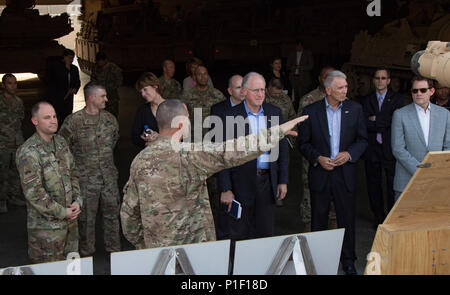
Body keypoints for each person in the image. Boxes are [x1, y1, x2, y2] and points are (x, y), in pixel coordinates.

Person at [120, 99, 308, 249]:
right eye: (187, 118)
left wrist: (145, 243)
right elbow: (235, 150)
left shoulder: (140, 160)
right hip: (193, 251)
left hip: (157, 251)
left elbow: (129, 214)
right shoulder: (189, 155)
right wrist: (279, 130)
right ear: (179, 124)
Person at [298, 70, 368, 275]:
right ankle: (318, 261)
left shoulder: (355, 109)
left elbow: (363, 140)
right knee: (318, 219)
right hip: (321, 172)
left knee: (346, 219)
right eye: (341, 87)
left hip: (345, 173)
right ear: (328, 90)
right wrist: (318, 158)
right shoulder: (310, 111)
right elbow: (303, 143)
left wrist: (349, 154)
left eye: (346, 87)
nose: (345, 91)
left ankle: (348, 260)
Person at [217, 72, 289, 241]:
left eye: (263, 90)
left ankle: (263, 267)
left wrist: (282, 180)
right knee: (239, 232)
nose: (260, 94)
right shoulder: (229, 116)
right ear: (244, 91)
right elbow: (220, 156)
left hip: (267, 182)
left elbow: (282, 150)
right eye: (255, 90)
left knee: (265, 232)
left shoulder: (274, 113)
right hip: (239, 182)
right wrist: (225, 188)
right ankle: (239, 267)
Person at [58, 82, 121, 257]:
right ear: (91, 98)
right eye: (103, 96)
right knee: (86, 219)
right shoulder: (73, 122)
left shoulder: (110, 120)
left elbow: (114, 141)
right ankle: (87, 253)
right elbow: (62, 149)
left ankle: (114, 251)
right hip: (85, 181)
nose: (106, 100)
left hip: (108, 178)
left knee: (112, 216)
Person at [16, 102, 82, 263]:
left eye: (54, 116)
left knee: (71, 268)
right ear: (35, 121)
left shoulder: (61, 143)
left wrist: (77, 200)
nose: (53, 121)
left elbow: (73, 173)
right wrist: (62, 212)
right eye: (47, 117)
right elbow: (34, 194)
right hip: (46, 232)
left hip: (70, 227)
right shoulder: (28, 152)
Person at [391, 77, 450, 200]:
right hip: (406, 181)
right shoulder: (400, 115)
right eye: (415, 91)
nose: (418, 94)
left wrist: (436, 169)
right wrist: (420, 170)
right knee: (404, 219)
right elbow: (398, 149)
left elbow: (448, 146)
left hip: (436, 180)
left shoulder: (445, 114)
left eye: (423, 90)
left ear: (431, 91)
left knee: (432, 219)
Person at [362, 67, 404, 226]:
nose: (380, 81)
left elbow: (396, 122)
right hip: (372, 149)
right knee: (373, 184)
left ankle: (391, 218)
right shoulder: (366, 100)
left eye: (383, 78)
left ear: (389, 81)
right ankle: (378, 217)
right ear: (373, 80)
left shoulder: (398, 99)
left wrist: (376, 119)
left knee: (392, 184)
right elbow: (364, 123)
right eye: (377, 78)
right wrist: (385, 120)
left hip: (390, 148)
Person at [297, 66, 337, 232]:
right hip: (313, 159)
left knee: (335, 199)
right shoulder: (308, 100)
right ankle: (309, 236)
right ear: (319, 79)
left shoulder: (343, 99)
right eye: (325, 76)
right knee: (310, 198)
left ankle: (334, 237)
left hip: (336, 160)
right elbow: (301, 134)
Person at [210, 74, 245, 240]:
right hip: (227, 171)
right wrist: (224, 186)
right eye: (239, 87)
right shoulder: (218, 110)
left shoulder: (254, 108)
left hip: (248, 173)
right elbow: (217, 149)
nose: (243, 90)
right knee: (227, 221)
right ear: (230, 91)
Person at [0, 74, 26, 213]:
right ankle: (2, 200)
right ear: (3, 85)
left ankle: (14, 196)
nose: (13, 86)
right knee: (2, 171)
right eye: (10, 83)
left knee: (16, 170)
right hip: (2, 142)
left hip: (16, 141)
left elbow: (20, 119)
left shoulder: (18, 101)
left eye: (15, 83)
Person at [181, 65, 225, 139]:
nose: (203, 77)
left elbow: (225, 112)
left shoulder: (217, 94)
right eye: (199, 74)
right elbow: (181, 116)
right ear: (195, 77)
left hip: (213, 136)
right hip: (194, 137)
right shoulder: (187, 95)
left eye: (205, 74)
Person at [46, 48, 81, 125]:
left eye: (72, 58)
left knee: (67, 116)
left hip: (69, 97)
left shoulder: (74, 69)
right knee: (57, 116)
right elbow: (53, 82)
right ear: (64, 57)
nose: (71, 60)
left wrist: (74, 89)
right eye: (69, 58)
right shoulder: (56, 68)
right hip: (57, 97)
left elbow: (77, 82)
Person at [131, 72, 165, 149]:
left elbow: (182, 136)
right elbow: (135, 137)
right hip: (151, 156)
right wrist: (145, 137)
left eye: (145, 89)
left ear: (155, 86)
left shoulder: (172, 107)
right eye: (141, 92)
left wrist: (159, 138)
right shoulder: (143, 110)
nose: (143, 94)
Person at [90, 51, 123, 118]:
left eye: (101, 61)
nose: (99, 63)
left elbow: (119, 80)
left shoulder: (113, 68)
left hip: (111, 97)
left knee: (113, 115)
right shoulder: (96, 68)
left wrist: (110, 87)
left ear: (105, 60)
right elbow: (92, 79)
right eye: (98, 61)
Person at [287, 39, 314, 112]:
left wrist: (301, 67)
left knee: (304, 97)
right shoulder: (292, 54)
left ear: (302, 46)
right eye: (296, 46)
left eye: (299, 46)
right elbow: (288, 65)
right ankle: (295, 112)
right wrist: (294, 67)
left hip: (304, 79)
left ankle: (303, 112)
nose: (298, 47)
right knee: (295, 97)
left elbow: (311, 66)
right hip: (294, 78)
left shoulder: (307, 53)